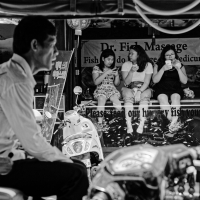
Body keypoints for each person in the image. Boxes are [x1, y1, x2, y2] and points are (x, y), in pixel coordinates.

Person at [0, 16, 89, 200]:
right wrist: (66, 161)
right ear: (35, 45)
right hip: (4, 165)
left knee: (76, 168)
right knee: (77, 175)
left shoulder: (11, 73)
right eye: (52, 44)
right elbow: (32, 142)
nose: (56, 52)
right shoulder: (15, 80)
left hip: (8, 159)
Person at [152, 45, 187, 131]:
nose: (170, 56)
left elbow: (184, 81)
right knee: (163, 99)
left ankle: (172, 123)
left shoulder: (180, 64)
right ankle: (174, 122)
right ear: (164, 56)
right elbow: (155, 80)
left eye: (172, 54)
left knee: (175, 98)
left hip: (175, 88)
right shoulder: (158, 65)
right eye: (167, 55)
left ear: (175, 55)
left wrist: (178, 68)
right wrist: (163, 69)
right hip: (161, 88)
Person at [121, 45, 153, 136]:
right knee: (127, 96)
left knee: (145, 98)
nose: (129, 55)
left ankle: (141, 124)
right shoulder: (126, 65)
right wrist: (131, 71)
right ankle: (129, 124)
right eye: (129, 53)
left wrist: (139, 92)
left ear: (138, 55)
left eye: (132, 53)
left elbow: (147, 82)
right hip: (130, 87)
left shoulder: (148, 65)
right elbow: (126, 83)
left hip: (143, 88)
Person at [92, 49, 121, 125]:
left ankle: (117, 120)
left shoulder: (114, 68)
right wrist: (106, 73)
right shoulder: (96, 68)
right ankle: (100, 122)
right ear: (103, 59)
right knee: (101, 99)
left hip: (112, 89)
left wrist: (117, 75)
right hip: (101, 90)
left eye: (112, 59)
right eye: (108, 59)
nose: (110, 61)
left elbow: (117, 84)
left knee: (115, 99)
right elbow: (96, 82)